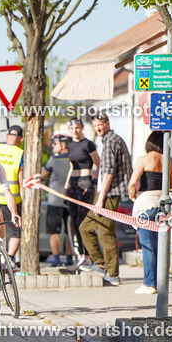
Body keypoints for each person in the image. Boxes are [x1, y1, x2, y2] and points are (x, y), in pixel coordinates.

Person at [78, 113, 131, 286]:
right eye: (95, 125)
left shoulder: (110, 142)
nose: (98, 128)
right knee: (85, 228)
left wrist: (100, 199)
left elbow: (108, 173)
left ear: (108, 123)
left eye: (101, 124)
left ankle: (113, 274)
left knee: (106, 233)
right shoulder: (110, 140)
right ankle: (101, 264)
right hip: (105, 194)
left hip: (108, 195)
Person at [127, 131, 172, 295]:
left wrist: (133, 197)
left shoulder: (144, 159)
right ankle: (160, 282)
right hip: (163, 206)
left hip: (147, 204)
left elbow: (132, 183)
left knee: (148, 247)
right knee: (160, 247)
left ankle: (149, 283)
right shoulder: (168, 160)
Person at [63, 118, 99, 269]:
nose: (75, 131)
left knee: (83, 218)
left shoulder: (88, 144)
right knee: (74, 220)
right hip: (73, 181)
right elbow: (71, 166)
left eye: (77, 128)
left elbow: (99, 163)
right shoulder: (69, 145)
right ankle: (81, 254)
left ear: (82, 128)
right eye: (72, 129)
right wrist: (66, 185)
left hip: (85, 180)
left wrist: (94, 182)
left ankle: (89, 255)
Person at [0, 125, 24, 262]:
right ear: (21, 139)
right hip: (11, 199)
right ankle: (9, 259)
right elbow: (21, 181)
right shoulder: (20, 153)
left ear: (6, 136)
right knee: (16, 232)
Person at [41, 135, 72, 266]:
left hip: (54, 200)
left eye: (55, 144)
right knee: (69, 231)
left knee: (54, 231)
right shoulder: (73, 159)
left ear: (63, 145)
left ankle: (57, 260)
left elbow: (43, 175)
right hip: (71, 200)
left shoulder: (54, 159)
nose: (53, 146)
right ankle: (70, 259)